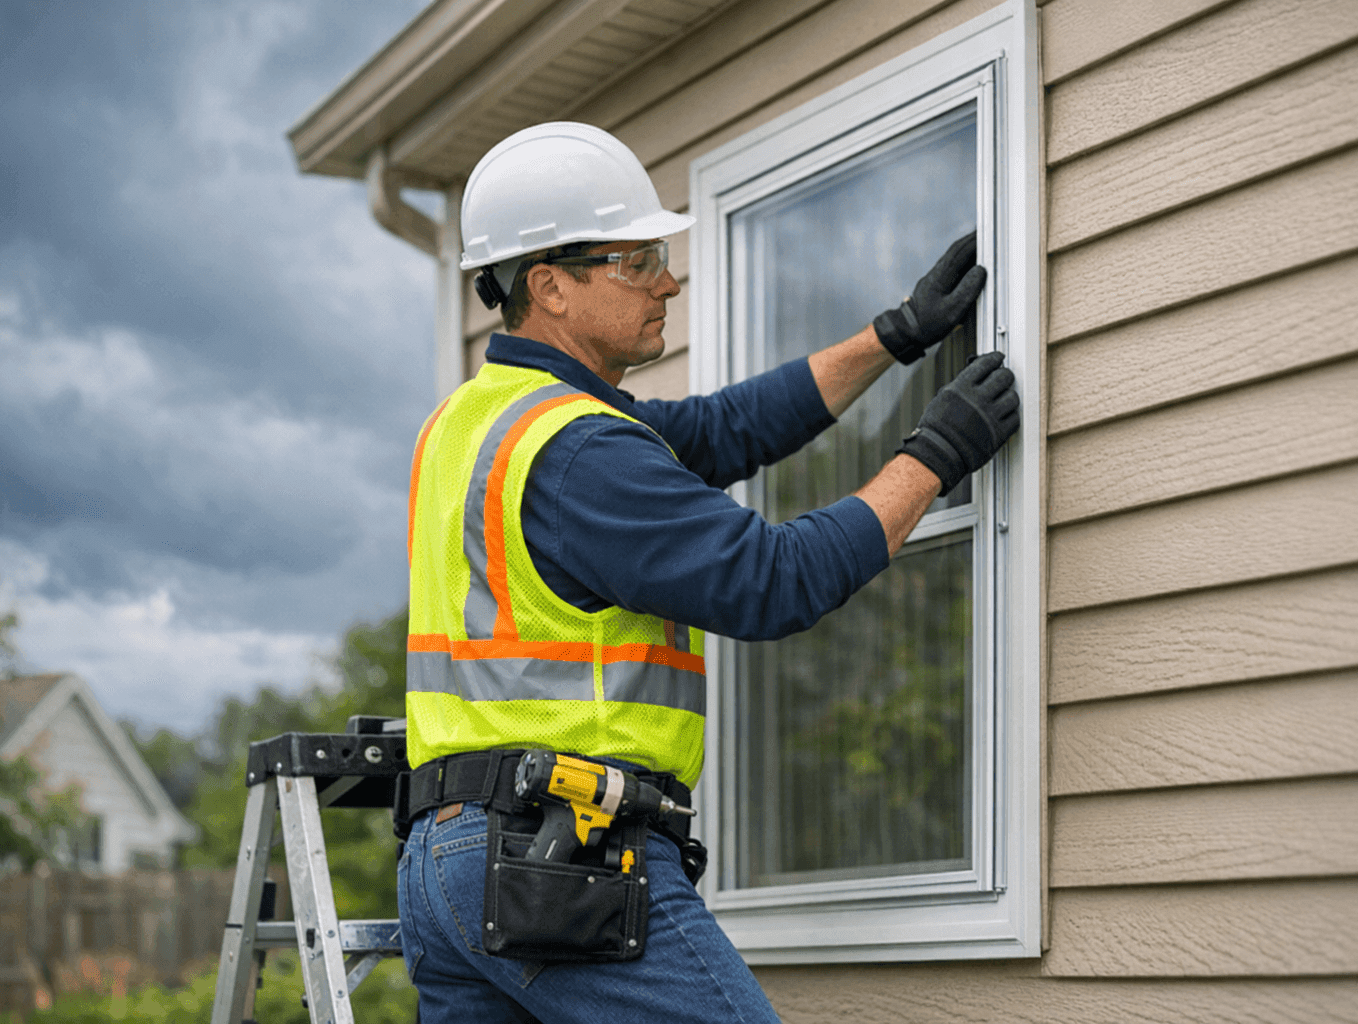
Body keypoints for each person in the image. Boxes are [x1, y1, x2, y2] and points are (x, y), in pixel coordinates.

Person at [397, 122, 1019, 1023]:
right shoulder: (580, 455)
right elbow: (773, 580)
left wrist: (894, 337)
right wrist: (934, 455)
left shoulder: (481, 422)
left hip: (448, 866)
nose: (667, 279)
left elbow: (723, 430)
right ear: (552, 287)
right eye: (637, 259)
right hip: (555, 850)